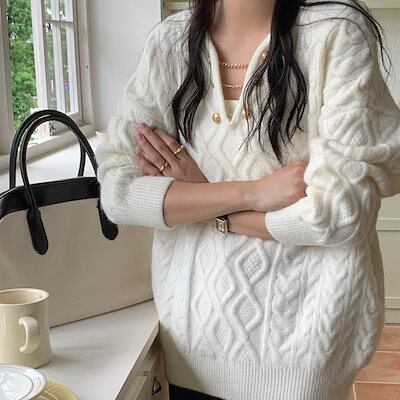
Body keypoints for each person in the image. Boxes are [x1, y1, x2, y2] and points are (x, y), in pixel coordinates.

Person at [95, 0, 400, 399]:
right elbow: (118, 191)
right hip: (193, 342)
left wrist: (203, 203)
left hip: (305, 352)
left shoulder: (336, 33)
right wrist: (252, 193)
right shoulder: (170, 43)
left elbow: (341, 212)